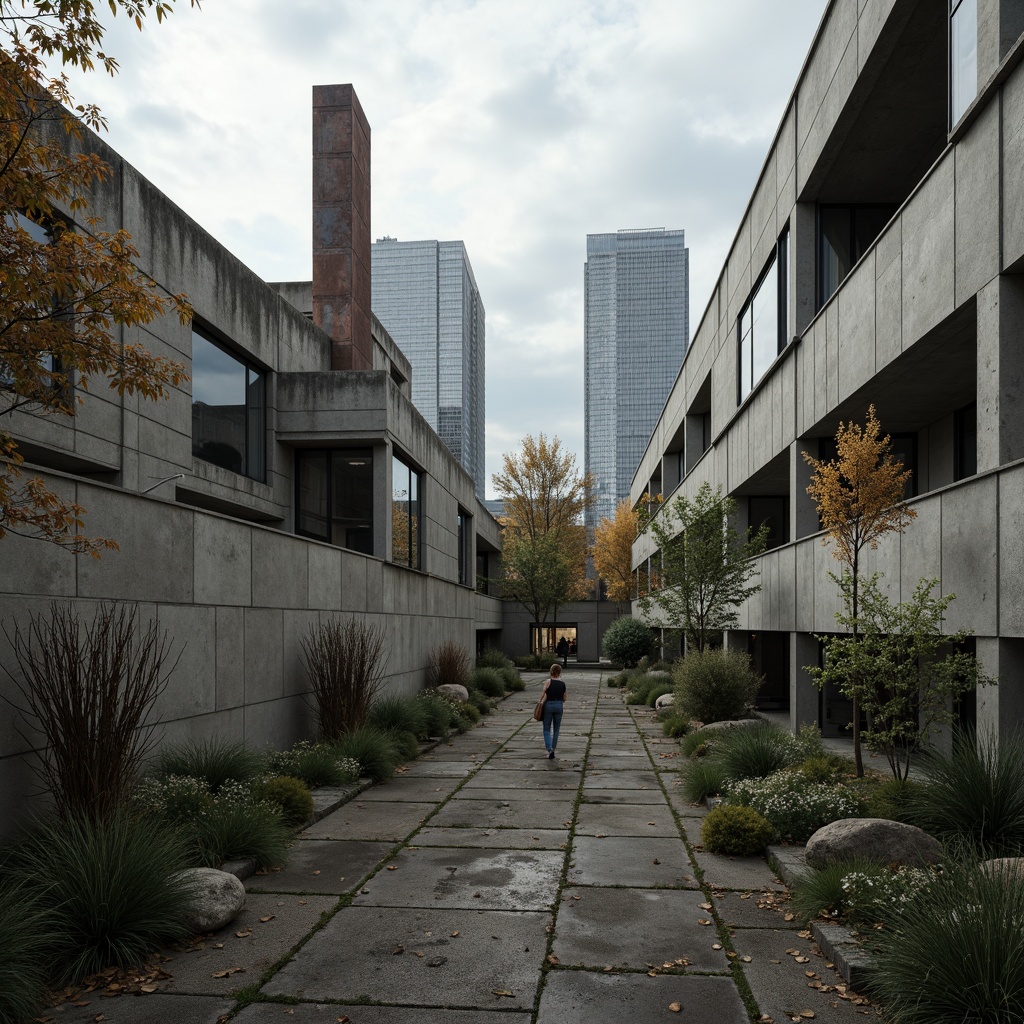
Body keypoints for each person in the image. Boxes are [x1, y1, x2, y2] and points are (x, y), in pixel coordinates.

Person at [540, 663, 567, 759]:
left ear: (551, 671)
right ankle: (553, 749)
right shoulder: (562, 684)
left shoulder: (548, 682)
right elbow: (565, 698)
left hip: (549, 705)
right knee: (556, 729)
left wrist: (540, 702)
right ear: (560, 672)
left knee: (546, 728)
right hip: (559, 705)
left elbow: (543, 694)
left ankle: (550, 749)